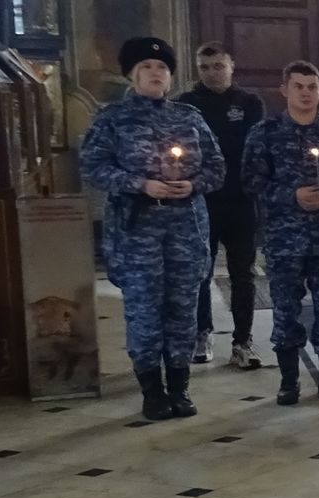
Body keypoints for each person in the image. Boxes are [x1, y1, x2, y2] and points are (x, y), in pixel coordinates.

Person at [79, 37, 224, 421]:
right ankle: (152, 391)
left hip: (185, 228)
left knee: (183, 310)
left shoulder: (189, 118)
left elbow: (216, 168)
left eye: (162, 68)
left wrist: (193, 184)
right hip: (137, 231)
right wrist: (140, 184)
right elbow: (92, 168)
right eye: (146, 67)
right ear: (132, 74)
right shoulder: (112, 119)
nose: (155, 73)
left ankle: (179, 387)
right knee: (144, 312)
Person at [242, 61, 319, 407]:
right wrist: (291, 195)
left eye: (312, 87)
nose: (306, 93)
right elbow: (250, 181)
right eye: (299, 86)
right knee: (285, 311)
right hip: (284, 240)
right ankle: (289, 380)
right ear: (285, 90)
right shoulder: (265, 134)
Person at [182, 41, 265, 369]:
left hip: (240, 200)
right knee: (200, 272)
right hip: (201, 200)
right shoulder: (186, 104)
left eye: (218, 66)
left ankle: (243, 340)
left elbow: (256, 148)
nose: (212, 73)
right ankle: (202, 332)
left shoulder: (249, 103)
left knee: (242, 273)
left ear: (232, 66)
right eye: (204, 67)